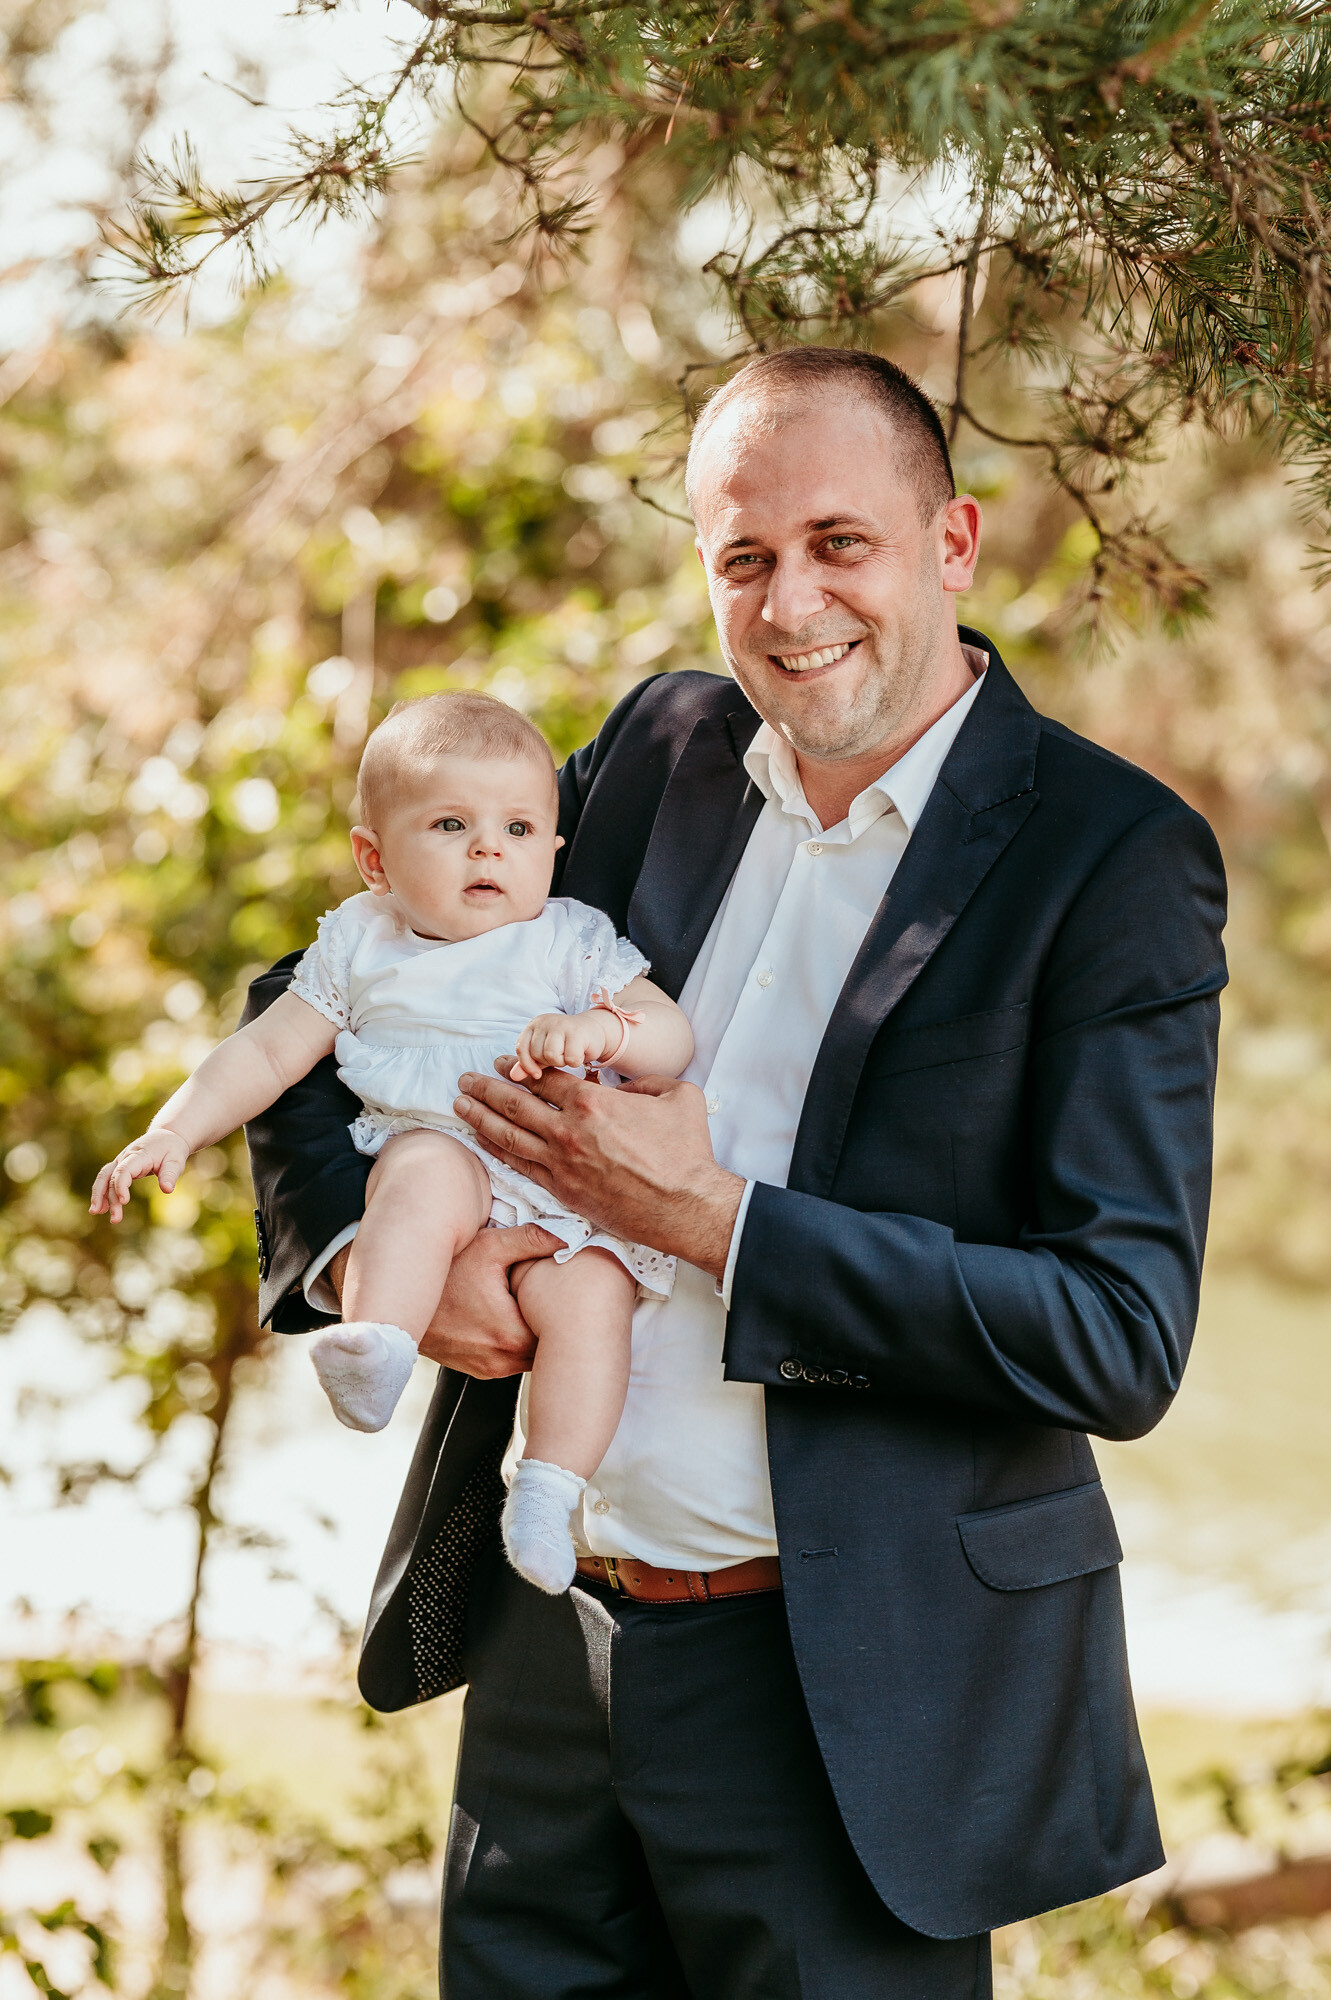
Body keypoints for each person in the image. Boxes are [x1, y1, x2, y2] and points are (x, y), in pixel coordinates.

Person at [243, 347, 1227, 1999]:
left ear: (952, 543)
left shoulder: (1107, 857)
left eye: (840, 544)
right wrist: (380, 1264)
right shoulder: (659, 751)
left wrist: (712, 1224)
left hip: (844, 1697)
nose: (789, 603)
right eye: (743, 556)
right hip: (547, 1644)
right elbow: (315, 994)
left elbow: (1113, 1332)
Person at [91, 690, 693, 1593]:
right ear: (374, 859)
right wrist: (172, 1131)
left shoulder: (570, 942)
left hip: (562, 1189)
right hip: (437, 1146)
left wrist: (605, 1032)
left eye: (519, 829)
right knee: (418, 1180)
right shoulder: (359, 944)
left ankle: (546, 1489)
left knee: (592, 1298)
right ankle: (377, 1343)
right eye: (451, 825)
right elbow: (265, 1052)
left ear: (551, 848)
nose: (489, 848)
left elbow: (668, 1035)